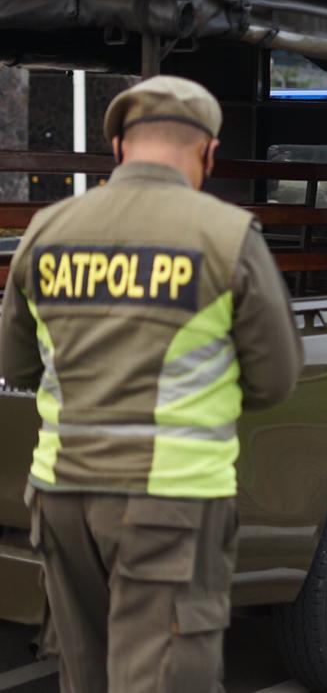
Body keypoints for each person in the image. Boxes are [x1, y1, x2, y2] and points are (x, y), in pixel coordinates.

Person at [0, 76, 303, 692]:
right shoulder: (225, 236)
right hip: (169, 501)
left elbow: (20, 365)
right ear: (208, 153)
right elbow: (276, 378)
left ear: (117, 146)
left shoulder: (46, 231)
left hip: (60, 498)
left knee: (86, 674)